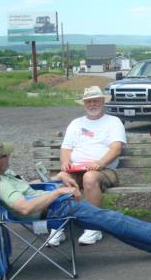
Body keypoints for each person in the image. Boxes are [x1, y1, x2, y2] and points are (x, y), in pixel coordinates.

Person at [0, 140, 151, 258]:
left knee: (108, 222)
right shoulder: (1, 184)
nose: (9, 156)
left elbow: (26, 190)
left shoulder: (3, 176)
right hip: (54, 211)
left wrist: (56, 178)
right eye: (6, 155)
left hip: (57, 206)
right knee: (110, 218)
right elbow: (24, 208)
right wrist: (57, 192)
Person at [48, 86, 127, 247]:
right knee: (61, 181)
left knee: (89, 178)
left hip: (105, 170)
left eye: (96, 101)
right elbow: (66, 148)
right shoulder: (76, 123)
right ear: (84, 103)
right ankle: (57, 228)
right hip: (76, 169)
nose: (92, 104)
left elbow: (116, 149)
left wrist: (99, 163)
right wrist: (65, 163)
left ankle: (93, 227)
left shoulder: (113, 121)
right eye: (89, 101)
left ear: (103, 101)